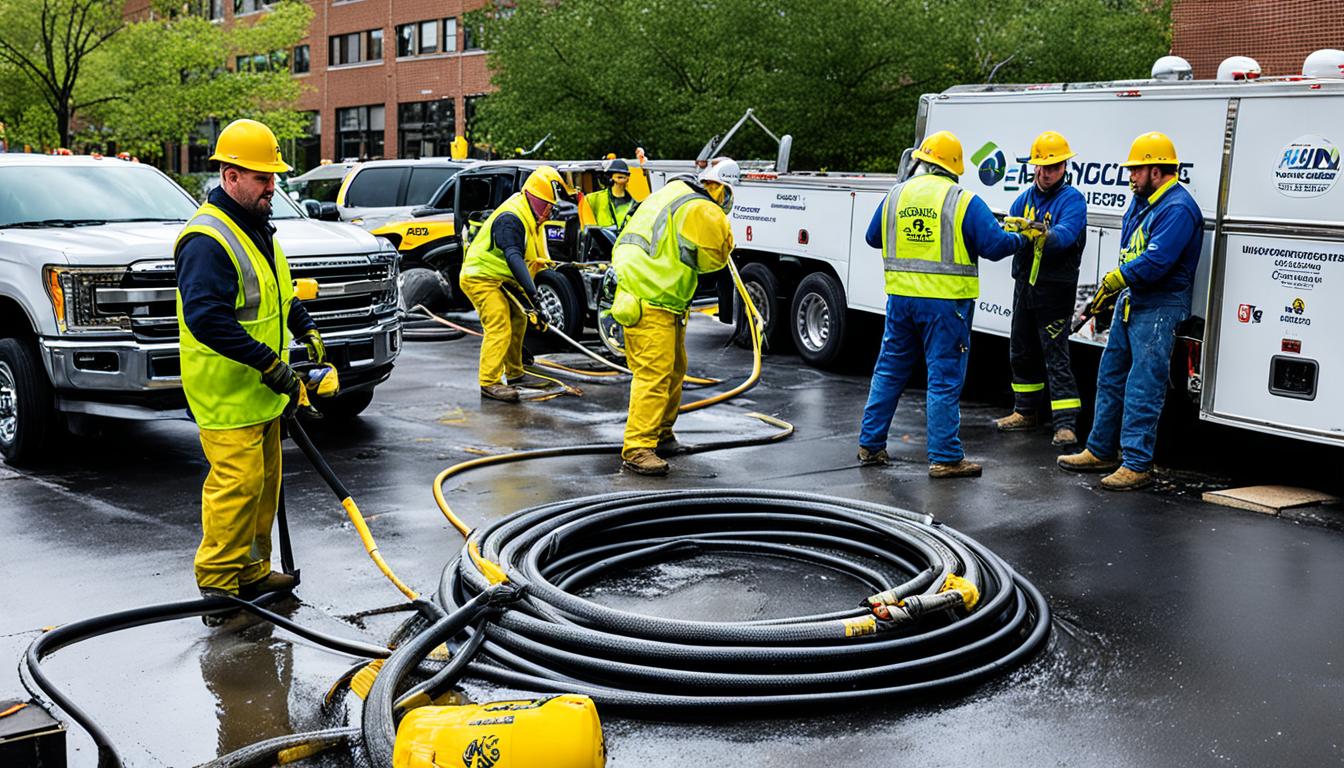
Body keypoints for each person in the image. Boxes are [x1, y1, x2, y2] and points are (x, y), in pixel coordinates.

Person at [176, 119, 320, 625]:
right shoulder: (207, 239)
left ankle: (253, 571)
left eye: (274, 177)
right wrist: (270, 364)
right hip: (228, 391)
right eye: (263, 178)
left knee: (264, 486)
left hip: (260, 391)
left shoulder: (255, 227)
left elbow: (274, 290)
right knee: (236, 487)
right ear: (231, 175)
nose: (272, 187)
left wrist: (302, 323)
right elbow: (207, 318)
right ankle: (218, 587)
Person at [856, 130, 1030, 478]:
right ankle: (946, 457)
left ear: (921, 160)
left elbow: (872, 237)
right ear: (953, 168)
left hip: (901, 301)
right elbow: (994, 246)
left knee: (889, 372)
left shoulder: (895, 195)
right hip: (946, 305)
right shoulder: (963, 200)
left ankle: (870, 446)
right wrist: (1022, 238)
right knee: (944, 379)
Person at [1057, 132, 1203, 491]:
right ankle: (1100, 450)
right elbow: (1132, 252)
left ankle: (1137, 463)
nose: (1131, 176)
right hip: (1133, 299)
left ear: (1157, 170)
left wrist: (1116, 279)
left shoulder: (1178, 208)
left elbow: (1156, 261)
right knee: (1110, 375)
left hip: (1160, 306)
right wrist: (1114, 290)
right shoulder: (1144, 201)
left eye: (1137, 170)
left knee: (1143, 385)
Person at [610, 158, 737, 475]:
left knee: (674, 369)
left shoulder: (673, 193)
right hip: (652, 296)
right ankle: (638, 447)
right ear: (718, 187)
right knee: (654, 374)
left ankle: (661, 434)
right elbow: (713, 262)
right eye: (729, 192)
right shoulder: (702, 208)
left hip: (652, 294)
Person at [994, 131, 1088, 447]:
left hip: (1055, 290)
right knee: (1021, 350)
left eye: (1053, 167)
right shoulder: (1024, 198)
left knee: (1055, 355)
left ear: (1064, 168)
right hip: (1025, 286)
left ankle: (1065, 424)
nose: (1046, 173)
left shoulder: (1071, 200)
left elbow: (1064, 236)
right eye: (1041, 167)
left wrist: (1036, 232)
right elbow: (1007, 233)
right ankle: (1025, 411)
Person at [458, 166, 570, 402]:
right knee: (499, 323)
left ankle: (515, 373)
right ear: (537, 199)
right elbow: (513, 257)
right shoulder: (512, 218)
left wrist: (533, 304)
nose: (550, 212)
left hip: (501, 278)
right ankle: (489, 382)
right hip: (480, 276)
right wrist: (533, 293)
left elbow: (531, 261)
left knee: (518, 319)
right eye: (549, 206)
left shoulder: (531, 217)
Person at [586, 158, 635, 229]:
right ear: (611, 177)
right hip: (604, 238)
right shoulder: (593, 199)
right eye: (618, 174)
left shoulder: (634, 204)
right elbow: (588, 227)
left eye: (625, 174)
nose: (622, 176)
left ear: (628, 178)